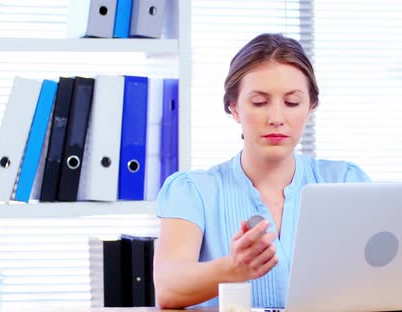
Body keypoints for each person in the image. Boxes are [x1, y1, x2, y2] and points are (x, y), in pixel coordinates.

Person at [153, 33, 371, 309]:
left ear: (310, 107)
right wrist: (232, 269)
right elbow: (168, 288)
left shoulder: (345, 181)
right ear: (234, 108)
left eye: (292, 103)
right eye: (259, 102)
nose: (276, 119)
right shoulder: (193, 190)